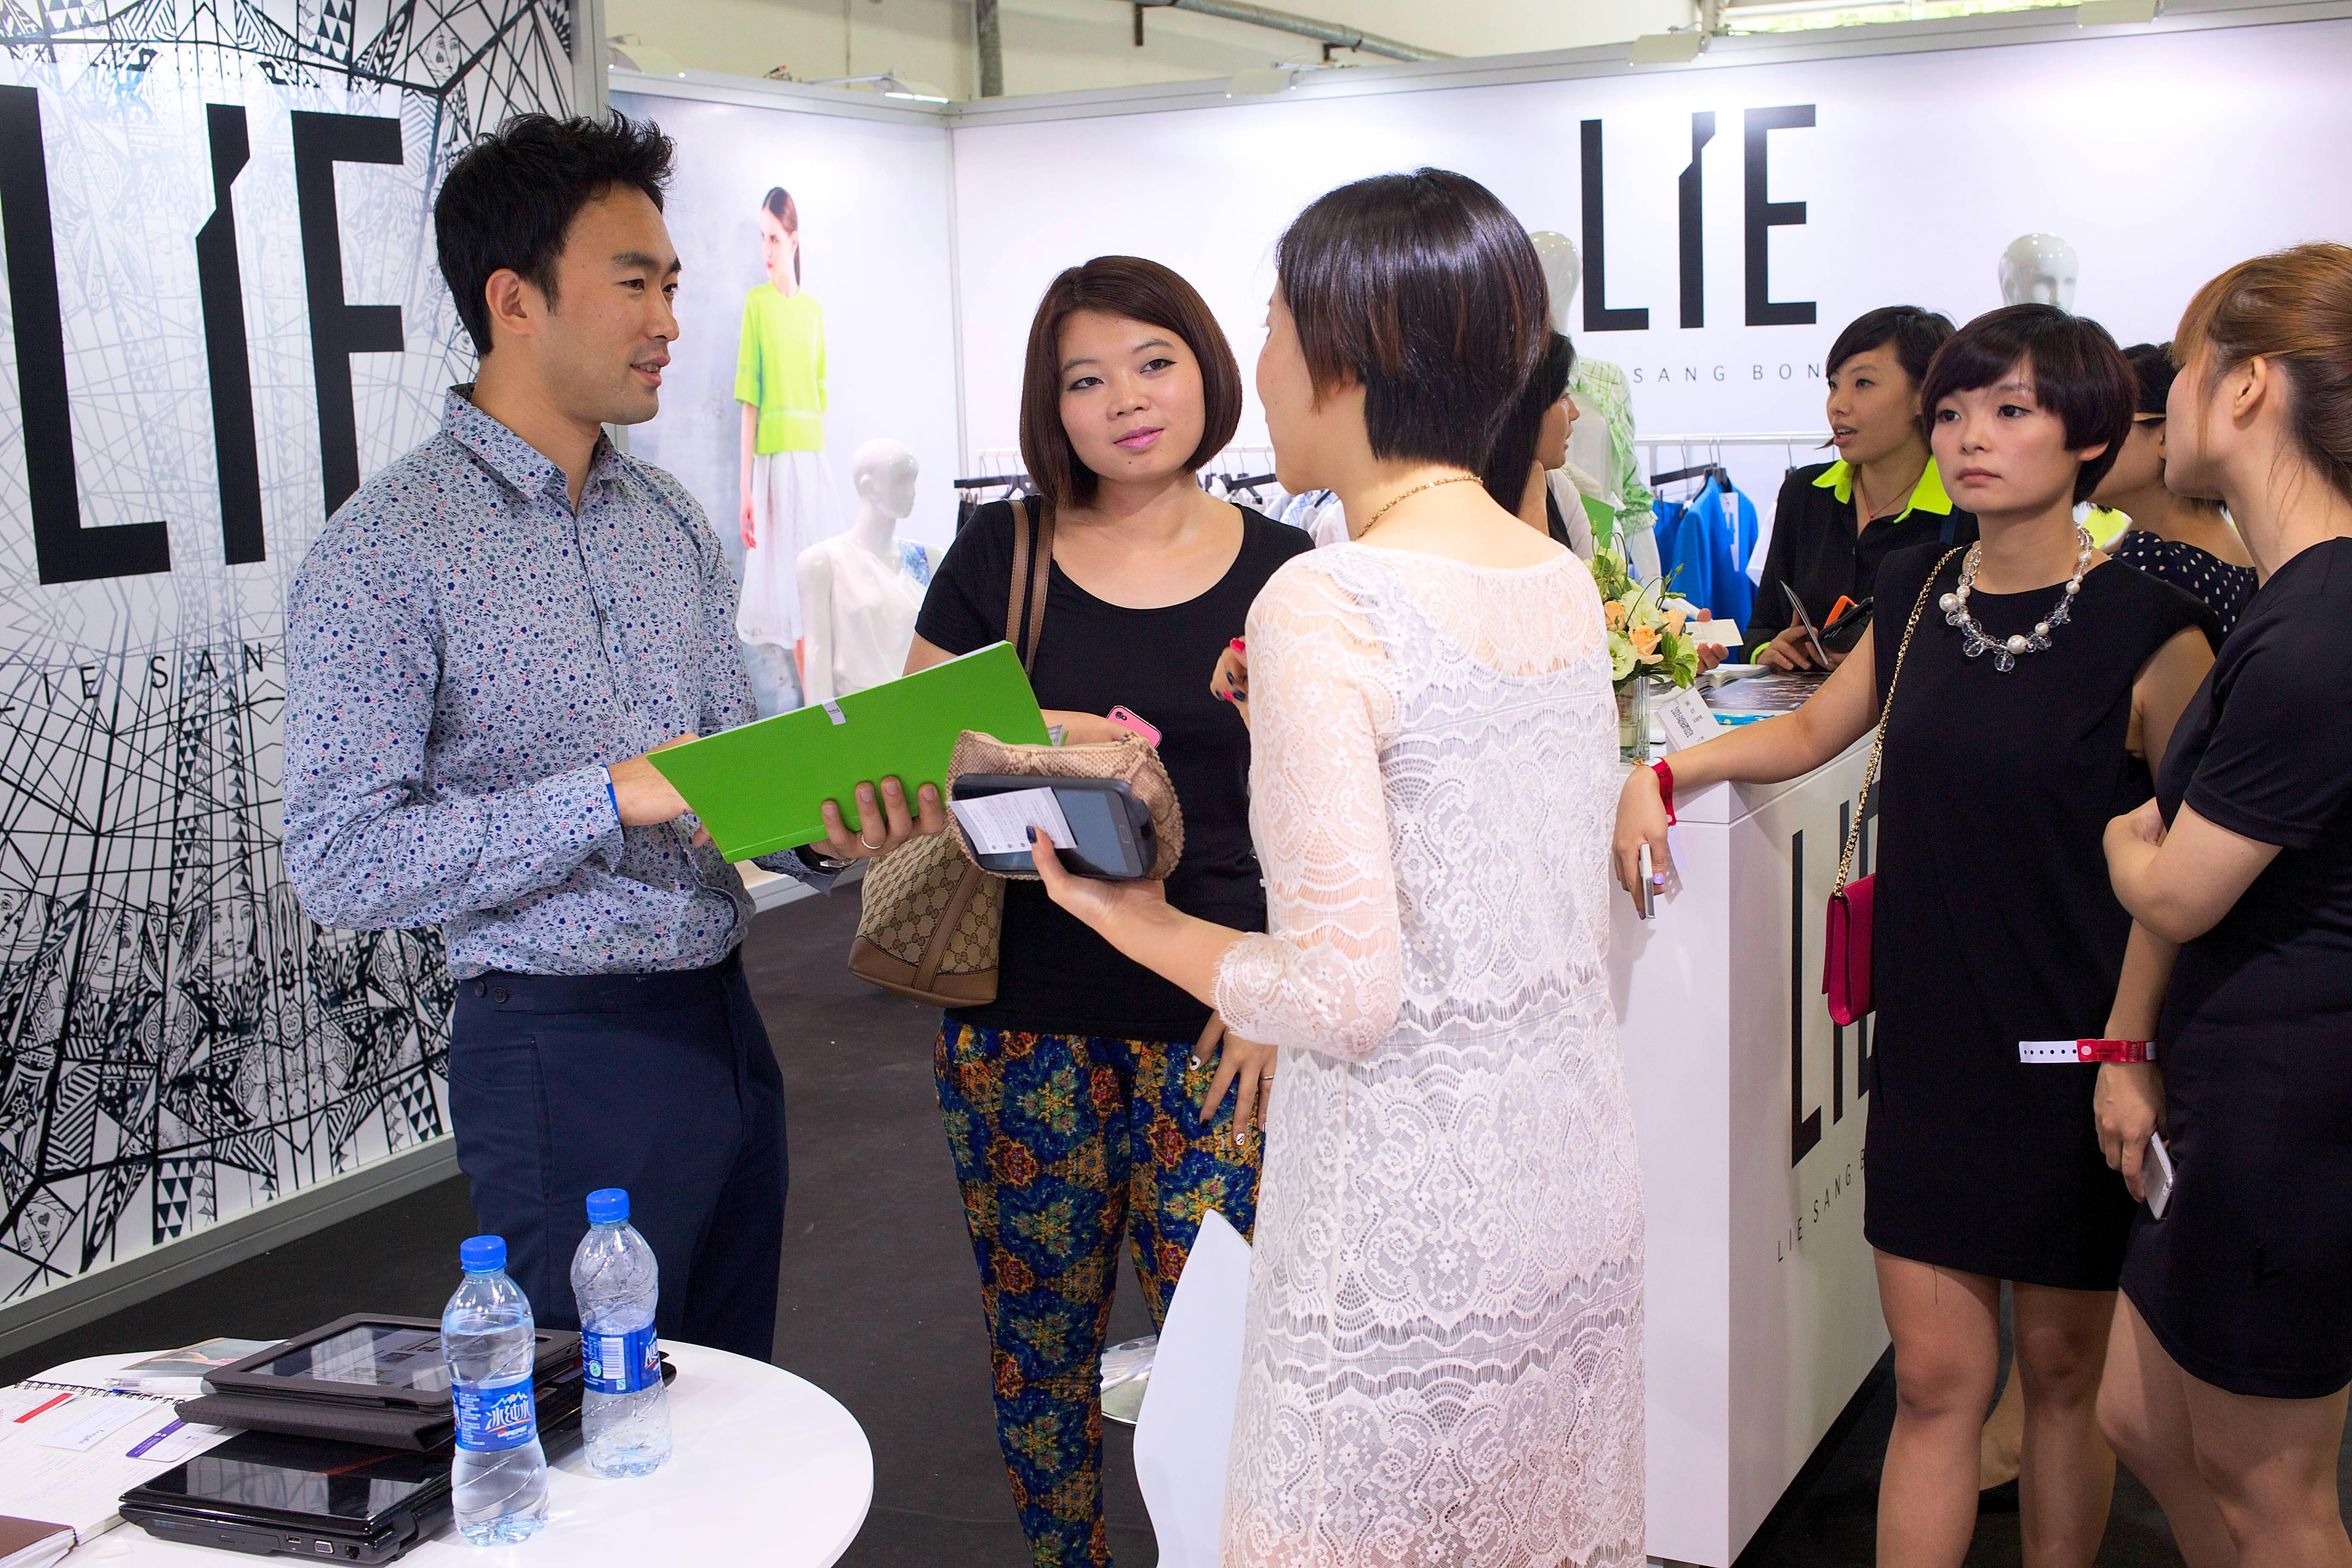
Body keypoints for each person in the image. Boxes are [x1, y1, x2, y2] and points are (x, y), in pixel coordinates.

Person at [1033, 169, 1645, 1566]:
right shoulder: (1549, 570)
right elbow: (1483, 869)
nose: (1258, 365)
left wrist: (1134, 917)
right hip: (1564, 1181)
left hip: (1402, 1213)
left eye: (1270, 325)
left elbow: (1342, 992)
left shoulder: (1326, 595)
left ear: (1348, 355)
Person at [282, 114, 931, 1361]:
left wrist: (824, 832)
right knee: (594, 1423)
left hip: (727, 1022)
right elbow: (339, 857)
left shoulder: (668, 519)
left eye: (672, 285)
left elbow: (725, 769)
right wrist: (603, 796)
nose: (668, 322)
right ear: (514, 301)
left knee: (734, 1399)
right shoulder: (388, 549)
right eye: (634, 284)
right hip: (555, 1046)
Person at [1617, 304, 2214, 1568]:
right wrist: (1662, 776)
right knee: (1936, 1381)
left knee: (2060, 1375)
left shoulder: (2151, 626)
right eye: (1951, 411)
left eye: (2008, 410)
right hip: (1931, 1043)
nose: (1967, 436)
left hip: (2074, 1051)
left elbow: (2182, 870)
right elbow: (1803, 734)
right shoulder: (1916, 587)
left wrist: (2128, 1047)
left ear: (2088, 433)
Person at [903, 255, 1310, 1566]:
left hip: (1220, 1023)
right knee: (1039, 1352)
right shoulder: (1002, 555)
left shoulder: (1289, 572)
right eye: (1087, 380)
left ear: (1207, 372)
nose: (1127, 400)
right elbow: (920, 765)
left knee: (1231, 1352)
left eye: (1154, 362)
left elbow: (1329, 815)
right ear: (1052, 407)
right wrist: (1051, 734)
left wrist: (1279, 985)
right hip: (1024, 1021)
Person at [2096, 242, 2352, 1568]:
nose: (2170, 394)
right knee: (2139, 1415)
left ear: (2249, 386)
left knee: (2272, 1492)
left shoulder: (2319, 624)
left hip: (2285, 1114)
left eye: (2189, 367)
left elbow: (2181, 884)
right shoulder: (2288, 597)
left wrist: (2123, 841)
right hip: (2228, 1085)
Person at [1748, 305, 1979, 668]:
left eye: (1863, 384)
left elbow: (1982, 650)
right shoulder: (1804, 492)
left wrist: (1875, 670)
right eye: (1833, 385)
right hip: (1806, 703)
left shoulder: (1969, 506)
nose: (1838, 406)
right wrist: (1769, 652)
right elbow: (1761, 629)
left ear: (1924, 396)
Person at [735, 185, 838, 712]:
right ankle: (811, 712)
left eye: (774, 238)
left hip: (811, 467)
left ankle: (824, 708)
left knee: (817, 594)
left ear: (794, 240)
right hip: (773, 468)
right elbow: (749, 401)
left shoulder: (814, 311)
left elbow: (819, 400)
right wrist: (746, 489)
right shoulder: (758, 305)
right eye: (763, 238)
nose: (767, 249)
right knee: (790, 595)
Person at [2094, 341, 2259, 638]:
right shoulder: (2231, 559)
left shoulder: (2153, 565)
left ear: (2167, 436)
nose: (2081, 443)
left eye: (2103, 424)